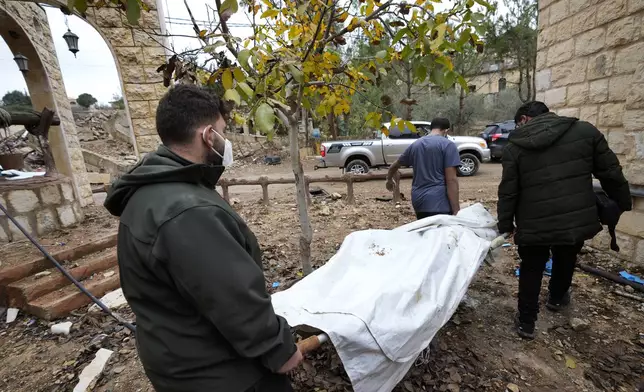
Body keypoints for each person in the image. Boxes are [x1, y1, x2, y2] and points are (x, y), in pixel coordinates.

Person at [104, 84, 302, 391]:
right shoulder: (187, 210)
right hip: (221, 373)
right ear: (209, 136)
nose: (227, 141)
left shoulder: (151, 192)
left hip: (178, 359)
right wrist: (278, 349)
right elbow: (231, 296)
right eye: (224, 131)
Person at [497, 101, 631, 340]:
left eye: (519, 124)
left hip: (533, 220)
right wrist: (621, 203)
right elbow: (610, 172)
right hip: (575, 217)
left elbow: (509, 191)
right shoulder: (585, 132)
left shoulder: (515, 147)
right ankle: (557, 299)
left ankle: (526, 322)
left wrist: (506, 224)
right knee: (566, 256)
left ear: (526, 119)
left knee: (532, 267)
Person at [385, 118, 461, 219]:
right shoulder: (448, 145)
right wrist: (456, 210)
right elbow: (451, 180)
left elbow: (395, 165)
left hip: (418, 200)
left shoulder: (416, 144)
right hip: (439, 201)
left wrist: (389, 179)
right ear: (446, 131)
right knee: (439, 233)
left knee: (424, 231)